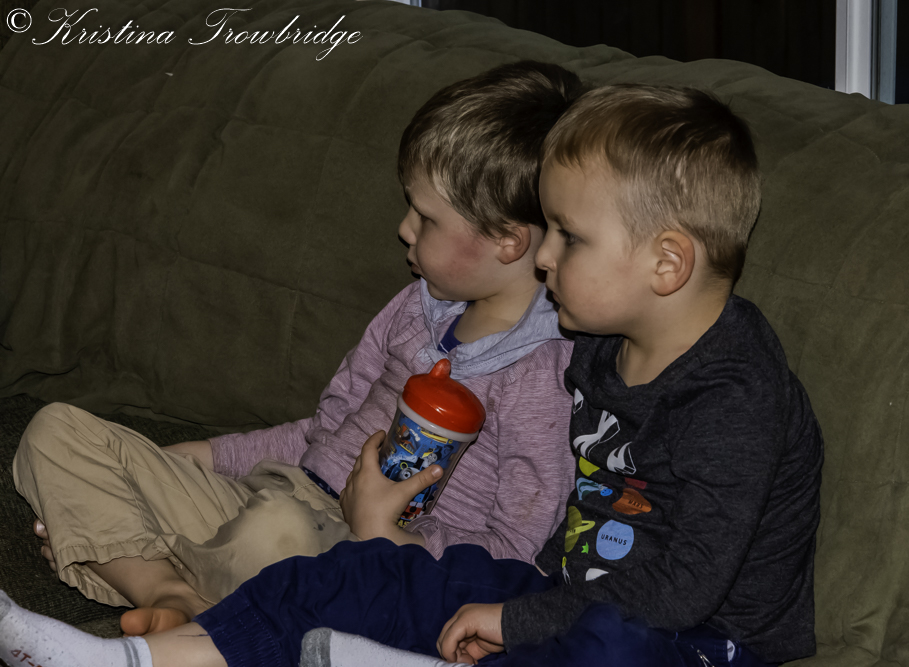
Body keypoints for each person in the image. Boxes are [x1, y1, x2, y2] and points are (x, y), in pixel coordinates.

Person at [0, 83, 824, 667]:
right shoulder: (603, 347)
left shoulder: (733, 397)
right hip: (569, 593)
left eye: (568, 237)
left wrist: (515, 614)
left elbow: (677, 594)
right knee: (366, 573)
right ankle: (131, 657)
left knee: (590, 638)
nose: (545, 256)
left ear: (667, 263)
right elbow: (334, 427)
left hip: (696, 642)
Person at [10, 61, 582, 637]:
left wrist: (394, 535)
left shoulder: (543, 376)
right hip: (280, 497)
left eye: (426, 218)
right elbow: (323, 432)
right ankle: (168, 591)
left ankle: (129, 559)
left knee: (273, 531)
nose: (405, 229)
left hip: (369, 560)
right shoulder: (414, 308)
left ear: (507, 240)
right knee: (56, 433)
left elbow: (518, 553)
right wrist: (203, 457)